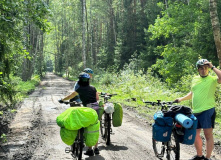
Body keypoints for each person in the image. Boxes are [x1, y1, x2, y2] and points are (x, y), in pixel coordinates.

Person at [175, 59, 221, 160]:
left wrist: (212, 67)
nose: (203, 70)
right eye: (201, 68)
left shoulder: (212, 79)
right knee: (195, 133)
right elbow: (192, 93)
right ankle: (199, 156)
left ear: (208, 69)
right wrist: (181, 99)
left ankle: (208, 158)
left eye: (205, 68)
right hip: (195, 111)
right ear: (198, 70)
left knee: (208, 134)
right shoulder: (195, 79)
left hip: (207, 110)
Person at [59, 72, 100, 156]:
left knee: (82, 124)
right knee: (94, 129)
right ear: (88, 81)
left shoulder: (79, 89)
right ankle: (95, 149)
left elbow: (71, 96)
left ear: (79, 81)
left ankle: (85, 144)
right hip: (95, 109)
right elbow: (97, 98)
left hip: (87, 110)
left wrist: (62, 99)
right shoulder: (93, 88)